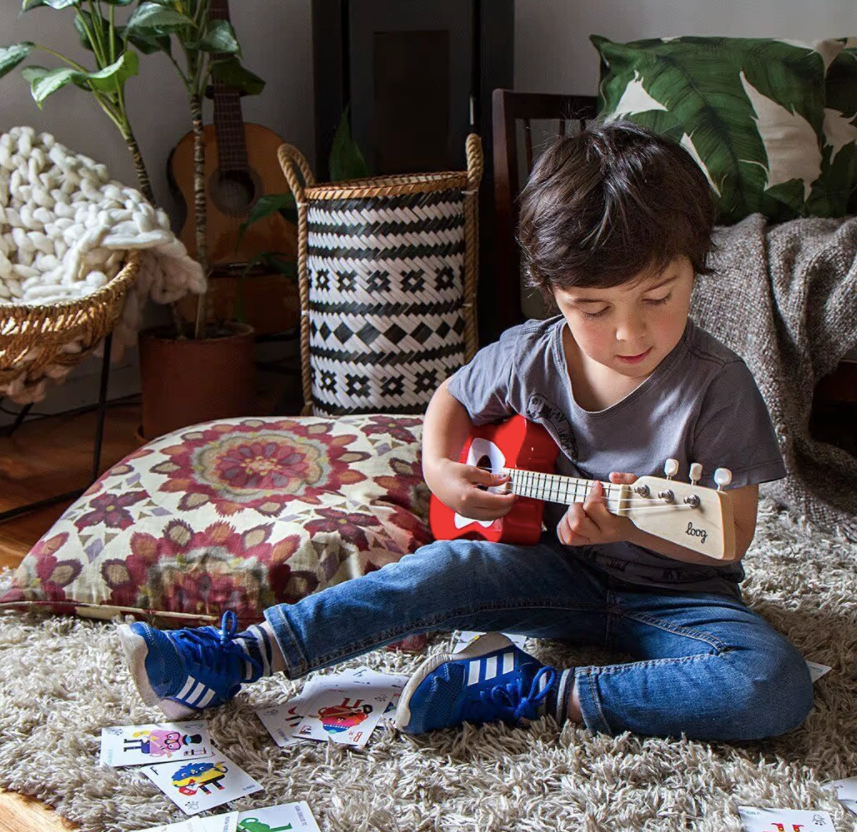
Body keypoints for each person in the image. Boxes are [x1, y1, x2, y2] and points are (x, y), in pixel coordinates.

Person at [119, 121, 813, 742]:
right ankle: (236, 656)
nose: (628, 332)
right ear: (548, 287)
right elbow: (451, 395)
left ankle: (528, 690)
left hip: (680, 599)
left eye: (656, 298)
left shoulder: (719, 386)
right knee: (434, 568)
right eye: (592, 308)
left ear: (696, 266)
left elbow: (731, 531)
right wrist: (440, 470)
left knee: (769, 683)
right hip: (549, 569)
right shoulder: (531, 353)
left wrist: (629, 526)